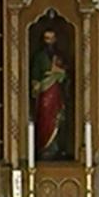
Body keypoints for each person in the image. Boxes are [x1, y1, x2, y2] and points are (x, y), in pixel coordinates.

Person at [30, 27, 71, 159]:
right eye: (47, 39)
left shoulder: (60, 56)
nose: (50, 42)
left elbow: (67, 74)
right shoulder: (39, 56)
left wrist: (61, 74)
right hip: (45, 92)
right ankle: (44, 147)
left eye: (52, 39)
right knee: (44, 118)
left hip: (57, 91)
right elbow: (35, 75)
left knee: (57, 117)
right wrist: (36, 85)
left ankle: (57, 146)